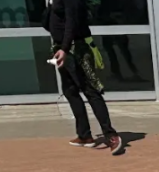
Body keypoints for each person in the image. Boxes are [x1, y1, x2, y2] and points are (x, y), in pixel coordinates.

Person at [43, 0, 124, 154]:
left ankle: (111, 135)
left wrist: (65, 49)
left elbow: (72, 23)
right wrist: (49, 6)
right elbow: (47, 24)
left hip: (76, 49)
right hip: (61, 49)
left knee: (91, 91)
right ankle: (84, 135)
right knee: (70, 90)